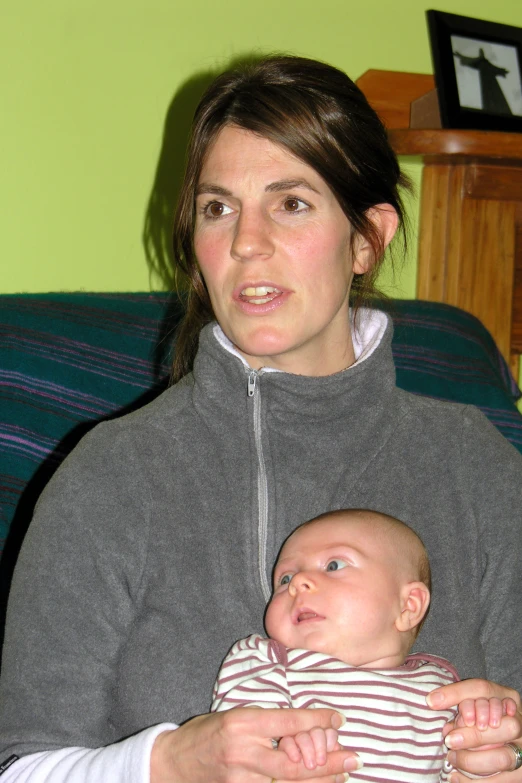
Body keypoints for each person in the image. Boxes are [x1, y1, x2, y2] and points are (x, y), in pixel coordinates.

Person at [0, 54, 521, 783]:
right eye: (218, 208)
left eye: (292, 202)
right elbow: (18, 766)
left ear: (368, 237)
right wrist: (168, 762)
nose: (246, 242)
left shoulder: (479, 467)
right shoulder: (110, 475)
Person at [212, 509, 517, 782]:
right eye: (284, 578)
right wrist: (280, 758)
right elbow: (233, 750)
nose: (298, 583)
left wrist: (484, 734)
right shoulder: (266, 661)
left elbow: (461, 767)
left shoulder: (442, 690)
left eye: (333, 565)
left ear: (408, 606)